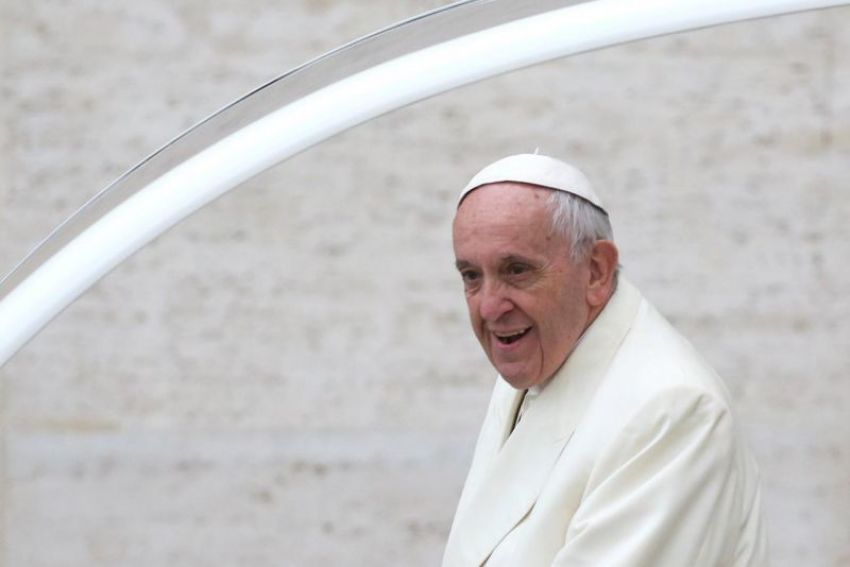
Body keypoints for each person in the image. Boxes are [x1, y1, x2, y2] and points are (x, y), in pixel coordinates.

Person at [442, 154, 767, 567]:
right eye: (471, 276)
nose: (489, 307)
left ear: (595, 271)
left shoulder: (673, 411)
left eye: (517, 270)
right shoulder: (540, 354)